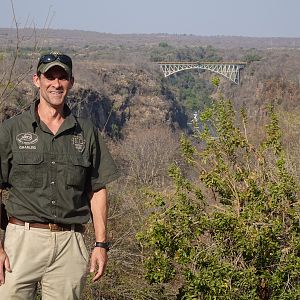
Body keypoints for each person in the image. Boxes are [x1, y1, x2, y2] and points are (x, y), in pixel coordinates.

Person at [0, 51, 119, 299]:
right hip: (21, 240)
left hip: (70, 243)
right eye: (49, 76)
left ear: (71, 82)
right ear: (37, 80)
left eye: (62, 77)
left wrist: (100, 244)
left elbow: (97, 190)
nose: (56, 84)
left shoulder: (86, 133)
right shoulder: (11, 130)